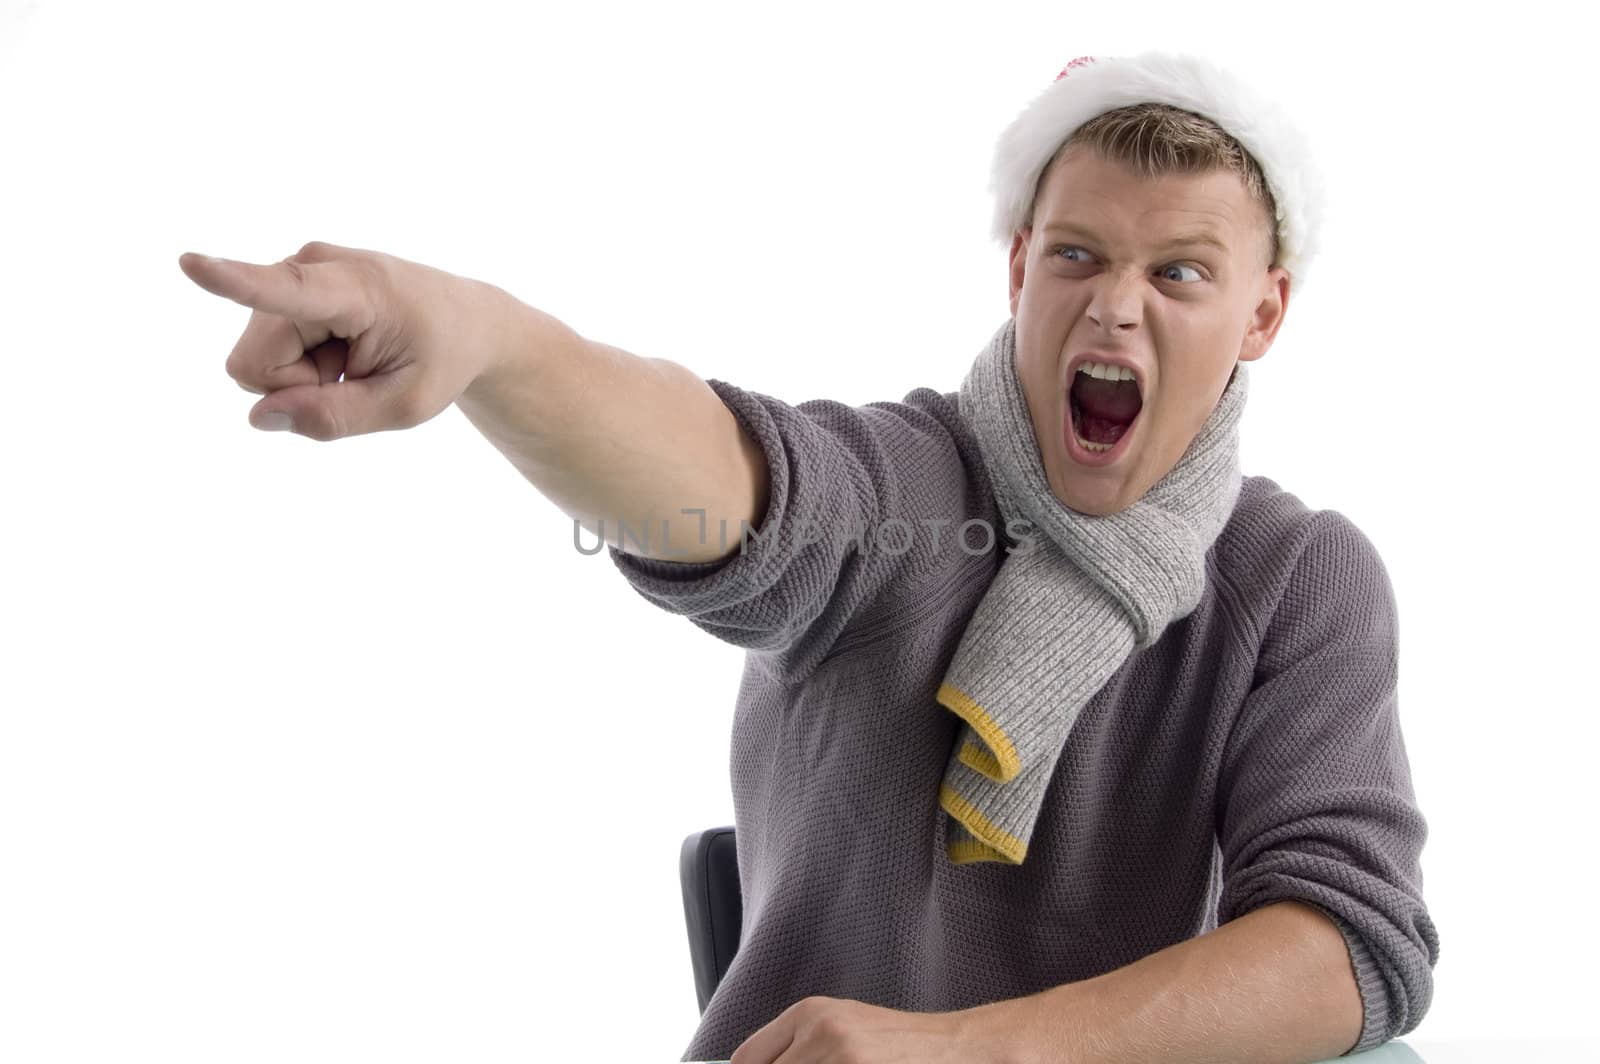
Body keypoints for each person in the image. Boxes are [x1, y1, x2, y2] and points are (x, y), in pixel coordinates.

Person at [180, 49, 1438, 1064]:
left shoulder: (1298, 578)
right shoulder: (912, 488)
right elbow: (729, 485)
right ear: (1017, 269)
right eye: (1077, 255)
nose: (1115, 305)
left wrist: (971, 1050)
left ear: (1260, 313)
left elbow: (1349, 944)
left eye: (1179, 271)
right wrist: (490, 343)